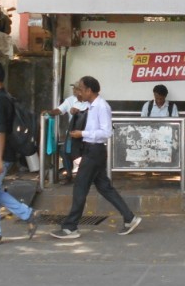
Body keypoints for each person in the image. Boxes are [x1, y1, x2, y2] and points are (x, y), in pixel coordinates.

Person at [50, 76, 142, 239]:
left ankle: (70, 227)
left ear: (89, 90)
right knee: (104, 187)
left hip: (95, 151)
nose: (79, 92)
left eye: (81, 89)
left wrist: (82, 133)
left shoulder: (101, 106)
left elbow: (106, 132)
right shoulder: (90, 106)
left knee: (80, 186)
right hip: (90, 150)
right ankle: (129, 218)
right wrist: (77, 114)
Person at [0, 61, 39, 245]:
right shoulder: (5, 97)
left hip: (3, 153)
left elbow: (1, 132)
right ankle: (28, 214)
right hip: (1, 152)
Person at [45, 80, 89, 183]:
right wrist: (49, 112)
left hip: (86, 133)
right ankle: (69, 174)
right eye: (73, 88)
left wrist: (79, 112)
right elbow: (59, 110)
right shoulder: (70, 100)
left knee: (86, 154)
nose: (73, 90)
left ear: (81, 91)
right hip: (73, 132)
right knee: (64, 151)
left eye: (76, 88)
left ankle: (86, 176)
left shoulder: (89, 101)